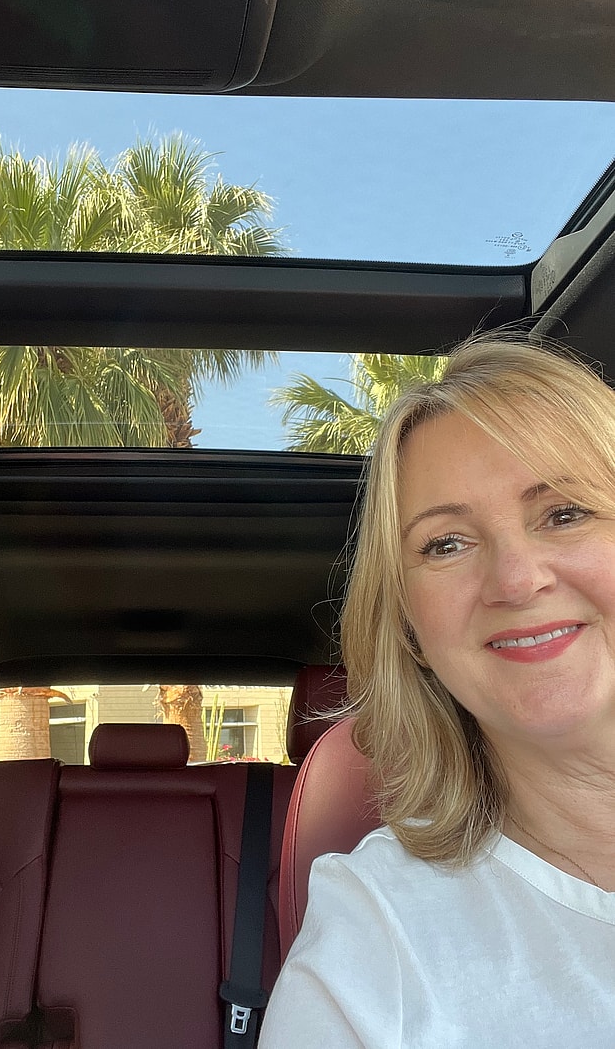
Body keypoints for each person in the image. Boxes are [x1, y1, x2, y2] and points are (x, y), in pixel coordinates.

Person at [259, 333, 615, 1047]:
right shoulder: (374, 940)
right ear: (413, 632)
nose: (517, 579)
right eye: (446, 543)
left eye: (565, 511)